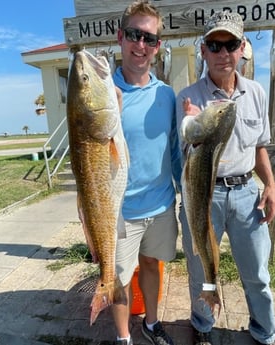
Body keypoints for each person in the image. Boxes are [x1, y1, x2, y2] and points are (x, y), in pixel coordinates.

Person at [176, 11, 275, 345]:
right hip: (203, 196)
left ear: (242, 47)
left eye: (230, 44)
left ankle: (265, 333)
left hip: (246, 191)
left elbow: (259, 146)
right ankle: (203, 324)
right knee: (200, 268)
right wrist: (190, 130)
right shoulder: (188, 98)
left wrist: (271, 185)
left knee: (257, 274)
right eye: (215, 45)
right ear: (203, 50)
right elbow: (184, 155)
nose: (223, 53)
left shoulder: (256, 93)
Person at [100, 1, 181, 345]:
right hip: (120, 213)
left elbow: (175, 151)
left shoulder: (167, 94)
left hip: (161, 206)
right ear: (121, 37)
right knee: (116, 278)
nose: (141, 45)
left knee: (151, 266)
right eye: (134, 34)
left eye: (150, 38)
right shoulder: (105, 94)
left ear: (158, 46)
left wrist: (188, 197)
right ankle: (123, 338)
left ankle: (151, 323)